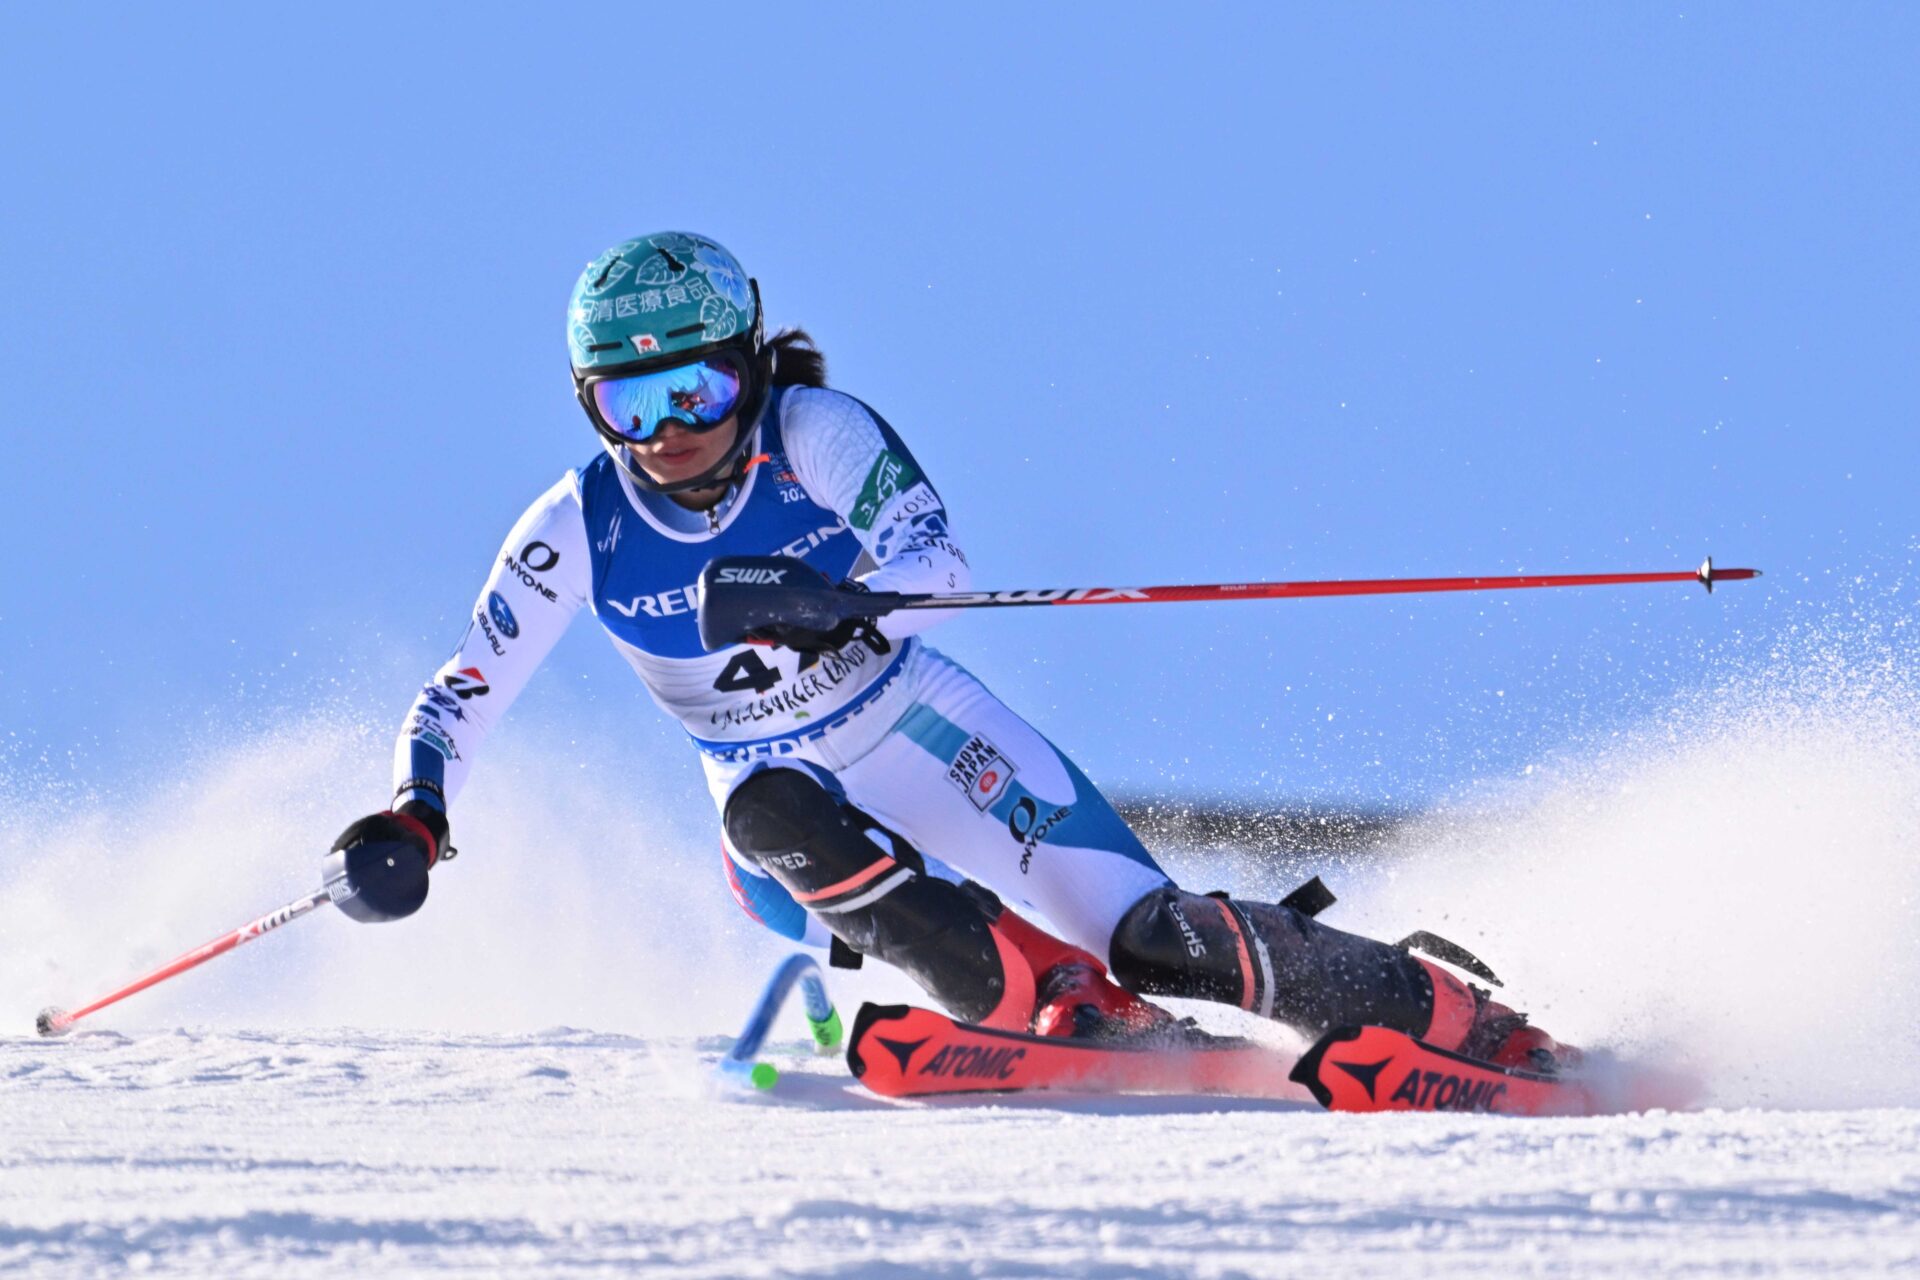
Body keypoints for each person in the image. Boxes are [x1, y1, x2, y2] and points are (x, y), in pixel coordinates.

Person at [325, 231, 1570, 1070]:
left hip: (924, 734)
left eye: (694, 390)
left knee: (1159, 938)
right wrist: (415, 816)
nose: (668, 432)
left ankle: (1468, 1027)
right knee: (768, 806)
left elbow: (940, 567)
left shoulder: (814, 430)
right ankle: (1045, 1007)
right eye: (627, 403)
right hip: (784, 834)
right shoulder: (576, 528)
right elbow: (463, 690)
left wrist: (836, 600)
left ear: (748, 366)